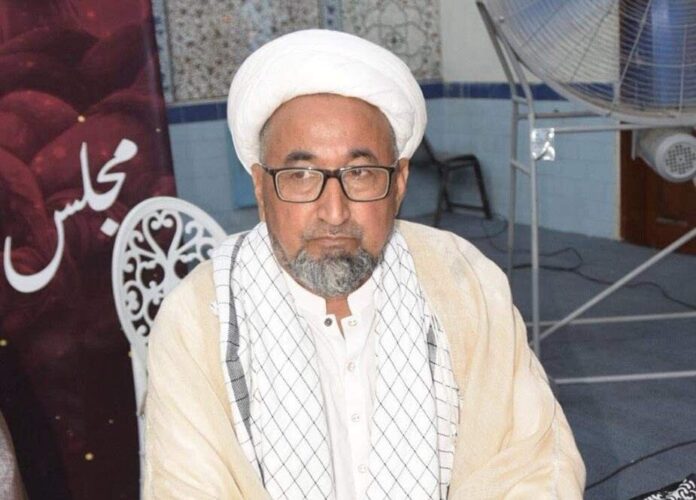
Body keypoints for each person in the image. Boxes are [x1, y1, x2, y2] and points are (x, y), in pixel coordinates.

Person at [144, 29, 585, 499]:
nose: (334, 212)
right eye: (300, 174)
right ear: (260, 185)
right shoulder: (197, 318)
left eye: (360, 173)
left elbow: (535, 464)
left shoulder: (462, 280)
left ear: (399, 182)